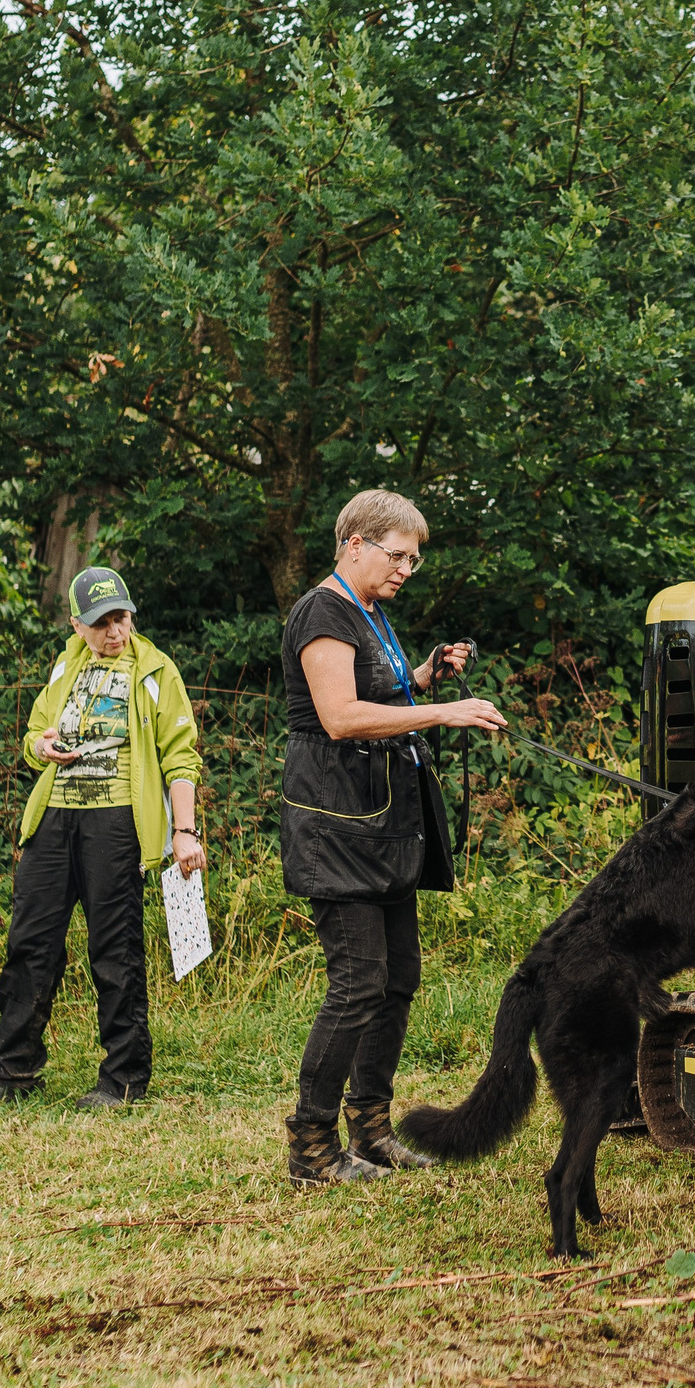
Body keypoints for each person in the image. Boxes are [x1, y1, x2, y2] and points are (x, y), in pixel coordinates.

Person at [280, 489, 505, 1185]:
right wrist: (444, 710)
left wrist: (424, 676)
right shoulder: (323, 611)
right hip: (336, 827)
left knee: (397, 979)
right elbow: (342, 716)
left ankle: (371, 1129)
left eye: (414, 559)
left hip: (384, 827)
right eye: (399, 555)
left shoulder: (369, 612)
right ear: (356, 545)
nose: (408, 569)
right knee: (357, 984)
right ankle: (310, 1146)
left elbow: (382, 690)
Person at [0, 566, 205, 1108]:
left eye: (121, 618)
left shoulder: (156, 670)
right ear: (77, 624)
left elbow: (181, 755)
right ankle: (13, 1076)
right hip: (52, 819)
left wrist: (185, 831)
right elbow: (34, 736)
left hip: (117, 821)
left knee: (114, 950)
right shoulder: (65, 666)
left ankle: (122, 1080)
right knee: (30, 946)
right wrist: (41, 746)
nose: (115, 632)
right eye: (101, 623)